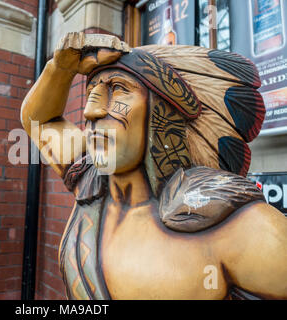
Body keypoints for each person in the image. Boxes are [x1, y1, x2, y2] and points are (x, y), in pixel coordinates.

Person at [20, 32, 287, 299]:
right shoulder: (89, 182)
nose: (91, 110)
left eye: (117, 88)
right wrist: (59, 68)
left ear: (161, 112)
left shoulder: (245, 229)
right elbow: (38, 120)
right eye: (91, 91)